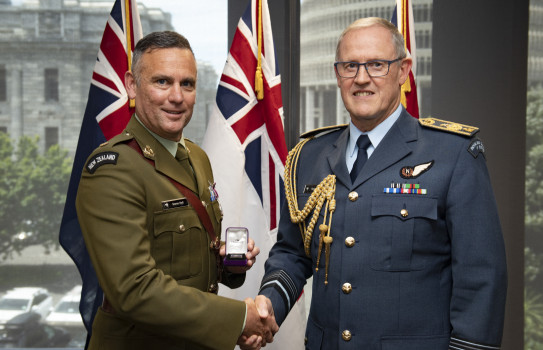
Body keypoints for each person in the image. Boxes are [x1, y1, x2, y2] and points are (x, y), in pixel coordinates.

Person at [257, 17, 507, 350]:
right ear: (337, 74)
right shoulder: (308, 157)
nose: (362, 78)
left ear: (403, 70)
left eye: (377, 64)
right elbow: (292, 253)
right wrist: (267, 306)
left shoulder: (454, 154)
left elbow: (481, 280)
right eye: (350, 66)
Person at [76, 31, 278, 350]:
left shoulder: (196, 157)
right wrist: (239, 319)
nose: (177, 97)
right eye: (162, 82)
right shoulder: (112, 169)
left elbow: (183, 263)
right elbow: (135, 289)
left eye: (187, 84)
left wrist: (226, 262)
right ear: (131, 84)